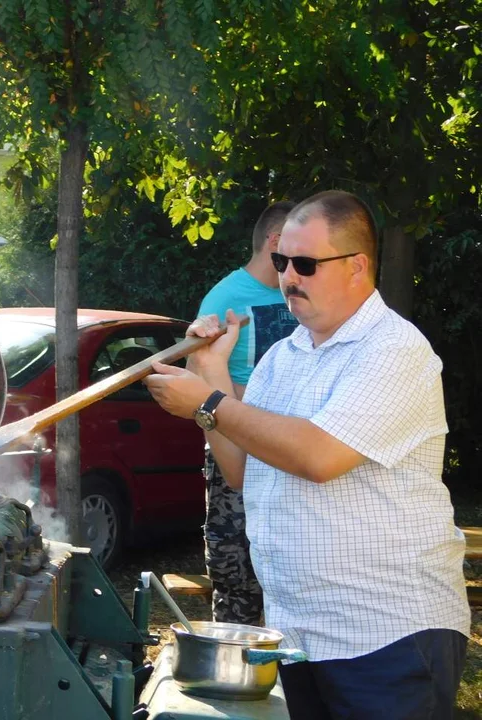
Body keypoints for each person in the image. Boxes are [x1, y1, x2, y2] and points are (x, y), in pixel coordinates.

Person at [145, 190, 469, 719]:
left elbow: (318, 457)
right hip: (300, 637)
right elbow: (244, 472)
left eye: (306, 263)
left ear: (358, 267)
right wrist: (211, 372)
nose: (288, 276)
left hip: (387, 636)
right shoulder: (283, 356)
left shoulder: (394, 350)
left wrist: (207, 401)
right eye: (281, 261)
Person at [195, 200, 299, 626]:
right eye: (297, 252)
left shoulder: (305, 299)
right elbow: (197, 382)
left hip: (290, 447)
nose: (301, 270)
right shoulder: (225, 298)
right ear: (276, 243)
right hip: (235, 452)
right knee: (238, 575)